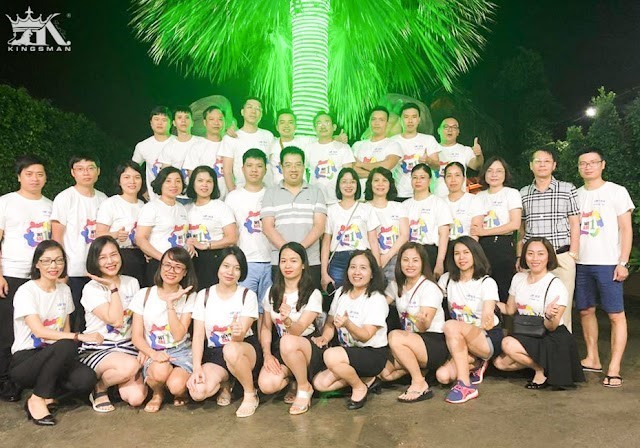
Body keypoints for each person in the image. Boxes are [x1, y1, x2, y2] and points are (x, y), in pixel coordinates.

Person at [9, 240, 101, 426]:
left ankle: (47, 395)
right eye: (47, 261)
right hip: (26, 360)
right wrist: (78, 336)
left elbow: (65, 328)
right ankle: (37, 398)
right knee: (67, 344)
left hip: (56, 355)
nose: (54, 266)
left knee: (86, 379)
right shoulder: (26, 291)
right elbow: (39, 331)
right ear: (37, 264)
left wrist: (70, 343)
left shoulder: (64, 290)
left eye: (59, 260)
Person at [575, 148, 634, 388]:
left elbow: (626, 229)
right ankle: (593, 358)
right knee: (585, 311)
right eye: (583, 163)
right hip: (581, 262)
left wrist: (623, 262)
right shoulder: (575, 194)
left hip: (608, 262)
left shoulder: (616, 192)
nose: (588, 167)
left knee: (615, 314)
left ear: (603, 164)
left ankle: (614, 368)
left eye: (593, 162)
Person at [494, 238, 585, 389]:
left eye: (540, 254)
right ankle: (544, 366)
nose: (535, 258)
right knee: (500, 363)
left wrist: (549, 315)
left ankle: (540, 370)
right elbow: (510, 309)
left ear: (549, 257)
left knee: (507, 343)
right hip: (527, 331)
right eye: (530, 254)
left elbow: (551, 327)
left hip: (550, 336)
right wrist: (488, 302)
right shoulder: (518, 278)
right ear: (524, 256)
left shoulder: (556, 285)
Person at [0, 155, 52, 402]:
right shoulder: (6, 202)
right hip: (11, 274)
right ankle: (5, 380)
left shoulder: (50, 205)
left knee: (36, 329)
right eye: (29, 174)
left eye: (39, 174)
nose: (35, 179)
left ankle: (30, 377)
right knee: (7, 330)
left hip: (41, 277)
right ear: (19, 176)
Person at [188, 246, 261, 418]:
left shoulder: (247, 295)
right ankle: (227, 381)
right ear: (218, 267)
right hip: (215, 353)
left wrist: (237, 332)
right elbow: (198, 336)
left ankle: (250, 393)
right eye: (226, 266)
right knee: (197, 391)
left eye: (237, 268)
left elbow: (240, 336)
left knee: (231, 349)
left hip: (243, 349)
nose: (230, 272)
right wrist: (196, 368)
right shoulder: (204, 295)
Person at [313, 250, 389, 410]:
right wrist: (325, 337)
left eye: (363, 268)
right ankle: (368, 380)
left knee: (330, 355)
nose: (357, 272)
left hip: (372, 353)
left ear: (372, 274)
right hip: (348, 353)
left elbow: (366, 336)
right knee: (320, 384)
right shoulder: (341, 293)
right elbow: (330, 322)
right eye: (353, 267)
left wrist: (348, 324)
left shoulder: (377, 299)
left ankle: (359, 387)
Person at [79, 236, 146, 412]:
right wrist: (113, 287)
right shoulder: (91, 288)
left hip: (127, 346)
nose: (110, 261)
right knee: (130, 366)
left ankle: (115, 381)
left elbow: (139, 319)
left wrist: (143, 347)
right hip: (100, 348)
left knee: (136, 398)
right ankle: (100, 387)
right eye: (102, 257)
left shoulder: (132, 282)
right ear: (94, 261)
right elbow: (115, 320)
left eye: (114, 255)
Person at [257, 242, 324, 415]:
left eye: (293, 261)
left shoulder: (312, 293)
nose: (288, 265)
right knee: (267, 385)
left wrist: (286, 320)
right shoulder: (271, 292)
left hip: (308, 346)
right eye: (283, 261)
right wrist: (267, 355)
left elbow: (298, 330)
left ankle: (304, 387)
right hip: (283, 347)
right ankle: (293, 380)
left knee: (288, 340)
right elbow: (266, 328)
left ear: (303, 265)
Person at [518, 146, 580, 331]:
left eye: (547, 161)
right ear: (531, 165)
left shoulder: (567, 189)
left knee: (562, 308)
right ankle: (534, 344)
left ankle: (561, 345)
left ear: (554, 165)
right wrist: (520, 256)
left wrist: (572, 254)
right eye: (538, 161)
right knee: (533, 305)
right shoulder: (523, 193)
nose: (542, 165)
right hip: (533, 260)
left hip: (561, 256)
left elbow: (575, 223)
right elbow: (521, 228)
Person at [129, 247, 197, 413]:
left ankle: (179, 392)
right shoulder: (144, 294)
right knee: (159, 371)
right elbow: (136, 337)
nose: (171, 270)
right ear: (160, 267)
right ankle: (158, 393)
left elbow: (178, 335)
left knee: (176, 386)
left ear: (185, 272)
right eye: (167, 265)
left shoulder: (189, 296)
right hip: (154, 350)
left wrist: (170, 304)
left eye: (178, 267)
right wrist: (152, 353)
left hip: (181, 350)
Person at [436, 236, 502, 404]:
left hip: (485, 337)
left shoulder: (486, 282)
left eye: (466, 252)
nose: (461, 257)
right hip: (460, 340)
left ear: (475, 254)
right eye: (457, 253)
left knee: (451, 326)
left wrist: (485, 319)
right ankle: (477, 363)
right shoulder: (446, 280)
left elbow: (488, 315)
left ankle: (465, 385)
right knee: (442, 376)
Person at [379, 242, 448, 402]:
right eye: (405, 260)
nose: (410, 265)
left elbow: (425, 326)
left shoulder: (429, 288)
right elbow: (380, 305)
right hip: (410, 343)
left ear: (423, 263)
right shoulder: (396, 285)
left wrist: (421, 321)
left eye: (415, 260)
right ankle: (422, 370)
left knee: (394, 336)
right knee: (385, 373)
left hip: (432, 342)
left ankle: (419, 382)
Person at [51, 153, 107, 332]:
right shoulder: (65, 198)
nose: (86, 173)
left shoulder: (104, 199)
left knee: (95, 317)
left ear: (98, 171)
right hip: (73, 269)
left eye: (91, 168)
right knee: (73, 316)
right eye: (80, 169)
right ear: (72, 172)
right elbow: (57, 237)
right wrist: (61, 269)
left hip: (99, 269)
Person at [261, 146, 327, 291]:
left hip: (310, 261)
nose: (293, 169)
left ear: (304, 167)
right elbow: (267, 227)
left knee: (311, 301)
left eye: (298, 164)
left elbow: (319, 226)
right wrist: (289, 253)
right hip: (280, 262)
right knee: (281, 301)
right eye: (288, 165)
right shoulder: (270, 193)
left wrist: (298, 252)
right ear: (281, 167)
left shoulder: (316, 192)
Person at [225, 149, 273, 327]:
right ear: (242, 169)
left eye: (259, 166)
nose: (254, 170)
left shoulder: (273, 194)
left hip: (271, 260)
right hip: (245, 262)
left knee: (267, 312)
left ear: (265, 169)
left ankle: (265, 345)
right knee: (244, 310)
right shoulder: (232, 197)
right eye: (250, 165)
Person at [471, 157, 522, 303]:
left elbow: (515, 224)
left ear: (505, 174)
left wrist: (485, 232)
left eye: (499, 171)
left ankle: (504, 317)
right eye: (490, 171)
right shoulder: (479, 196)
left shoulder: (511, 193)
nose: (494, 175)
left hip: (503, 246)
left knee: (503, 288)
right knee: (482, 288)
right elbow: (476, 227)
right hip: (482, 247)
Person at [321, 168, 380, 291]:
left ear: (357, 185)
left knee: (363, 296)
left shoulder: (367, 209)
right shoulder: (331, 210)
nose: (348, 185)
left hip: (362, 258)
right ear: (338, 185)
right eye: (344, 182)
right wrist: (323, 273)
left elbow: (373, 240)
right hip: (338, 261)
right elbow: (326, 243)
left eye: (352, 182)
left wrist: (377, 268)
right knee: (338, 297)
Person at [185, 165, 238, 290]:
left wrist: (206, 245)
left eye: (209, 181)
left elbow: (232, 238)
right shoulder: (186, 208)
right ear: (193, 183)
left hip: (213, 258)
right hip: (190, 260)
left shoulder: (221, 207)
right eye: (200, 181)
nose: (204, 185)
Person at [135, 167, 189, 287]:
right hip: (159, 263)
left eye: (178, 181)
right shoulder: (151, 208)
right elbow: (140, 239)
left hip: (180, 265)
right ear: (161, 183)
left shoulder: (182, 208)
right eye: (168, 181)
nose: (174, 185)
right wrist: (164, 259)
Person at [96, 161, 147, 286]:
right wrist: (115, 234)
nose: (132, 181)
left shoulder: (145, 206)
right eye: (126, 177)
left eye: (137, 177)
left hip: (142, 257)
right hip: (120, 257)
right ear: (119, 181)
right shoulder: (111, 203)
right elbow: (98, 235)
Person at [403, 164, 452, 277]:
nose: (418, 181)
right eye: (415, 177)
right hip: (409, 253)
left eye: (422, 177)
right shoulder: (404, 205)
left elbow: (444, 235)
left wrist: (440, 262)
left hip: (429, 252)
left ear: (430, 180)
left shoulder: (439, 203)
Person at [365, 167, 409, 282]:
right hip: (369, 259)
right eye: (376, 180)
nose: (380, 184)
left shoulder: (398, 206)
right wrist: (377, 259)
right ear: (370, 184)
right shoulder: (364, 208)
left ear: (390, 184)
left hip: (395, 258)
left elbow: (404, 235)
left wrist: (387, 256)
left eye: (384, 180)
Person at [221, 97, 275, 192]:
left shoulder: (268, 135)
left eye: (258, 109)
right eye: (250, 107)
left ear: (261, 114)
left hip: (267, 191)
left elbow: (273, 163)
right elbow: (227, 171)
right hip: (242, 191)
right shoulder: (231, 138)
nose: (253, 111)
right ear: (242, 112)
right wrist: (233, 193)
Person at [390, 103, 440, 201]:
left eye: (414, 117)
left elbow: (437, 166)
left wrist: (428, 160)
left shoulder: (428, 140)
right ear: (400, 120)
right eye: (406, 117)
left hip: (423, 194)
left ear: (419, 120)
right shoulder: (392, 141)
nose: (410, 121)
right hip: (398, 194)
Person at [183, 105, 233, 200]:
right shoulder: (197, 147)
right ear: (205, 122)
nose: (216, 123)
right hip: (205, 200)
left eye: (220, 119)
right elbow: (192, 175)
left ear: (225, 122)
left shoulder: (230, 144)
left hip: (229, 199)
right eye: (211, 119)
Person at [158, 106, 206, 204]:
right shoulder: (169, 147)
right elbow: (165, 175)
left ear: (192, 122)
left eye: (187, 117)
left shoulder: (203, 142)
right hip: (177, 196)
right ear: (174, 123)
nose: (183, 121)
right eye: (179, 118)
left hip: (201, 194)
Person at [305, 111, 355, 204]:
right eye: (319, 123)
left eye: (327, 122)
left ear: (334, 127)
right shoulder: (309, 148)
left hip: (338, 200)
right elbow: (304, 172)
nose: (323, 126)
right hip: (315, 200)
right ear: (314, 128)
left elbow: (348, 174)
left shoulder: (343, 147)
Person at [429, 117, 484, 197]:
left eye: (454, 127)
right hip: (436, 199)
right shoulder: (431, 150)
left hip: (459, 199)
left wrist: (479, 155)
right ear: (438, 130)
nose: (450, 130)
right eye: (446, 127)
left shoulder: (465, 150)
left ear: (458, 132)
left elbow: (477, 166)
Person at [353, 106, 402, 192]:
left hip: (382, 195)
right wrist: (377, 176)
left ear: (387, 123)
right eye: (373, 119)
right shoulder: (357, 145)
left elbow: (386, 166)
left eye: (381, 120)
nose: (376, 123)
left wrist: (360, 164)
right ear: (369, 122)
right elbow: (352, 170)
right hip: (358, 195)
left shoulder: (393, 145)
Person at [132, 106, 175, 200]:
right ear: (151, 123)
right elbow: (133, 170)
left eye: (164, 120)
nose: (160, 123)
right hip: (154, 198)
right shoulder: (142, 146)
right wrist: (143, 189)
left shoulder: (179, 143)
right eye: (156, 119)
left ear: (171, 123)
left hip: (180, 198)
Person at [443, 162, 483, 240]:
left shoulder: (474, 200)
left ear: (464, 179)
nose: (453, 180)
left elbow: (475, 232)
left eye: (457, 175)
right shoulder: (439, 202)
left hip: (466, 245)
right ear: (444, 180)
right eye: (449, 176)